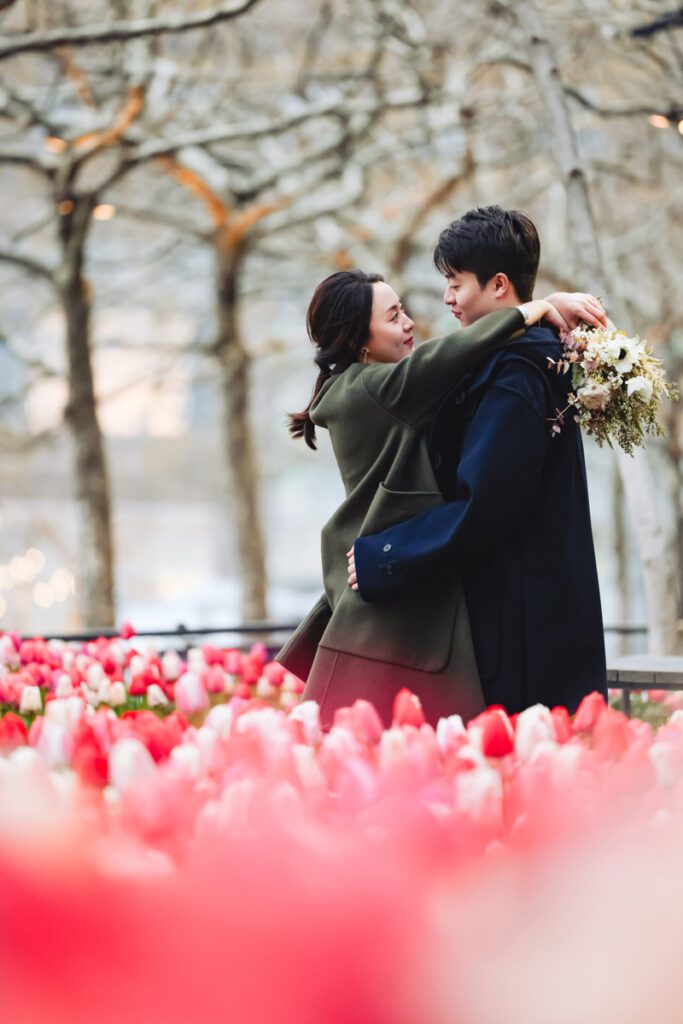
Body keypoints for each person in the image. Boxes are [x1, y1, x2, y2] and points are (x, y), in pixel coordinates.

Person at [278, 265, 603, 728]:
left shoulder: (372, 386)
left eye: (403, 310)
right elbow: (452, 356)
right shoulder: (374, 389)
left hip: (395, 571)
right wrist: (537, 308)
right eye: (393, 317)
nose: (408, 323)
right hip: (391, 581)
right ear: (360, 341)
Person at [349, 207, 608, 716]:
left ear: (498, 285)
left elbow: (483, 507)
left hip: (519, 641)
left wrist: (387, 555)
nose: (446, 298)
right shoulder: (521, 357)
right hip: (524, 625)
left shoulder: (517, 376)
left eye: (455, 283)